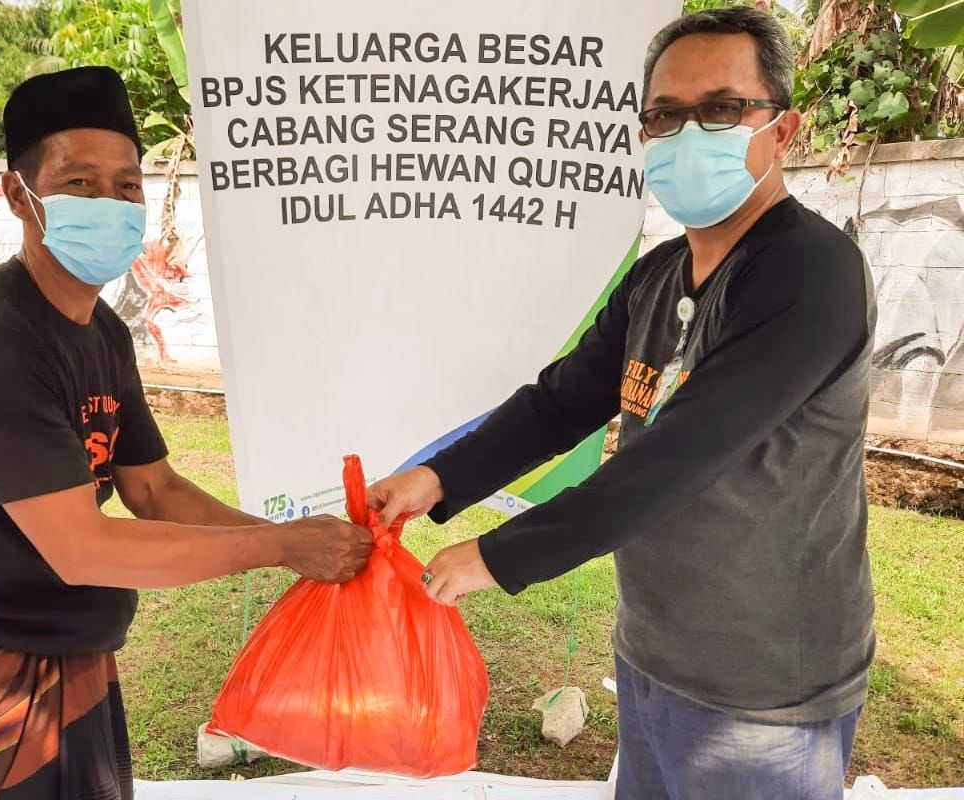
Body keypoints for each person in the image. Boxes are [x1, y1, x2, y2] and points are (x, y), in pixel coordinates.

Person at [368, 9, 875, 800]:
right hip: (654, 652)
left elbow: (674, 462)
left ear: (782, 130)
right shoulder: (658, 274)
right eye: (664, 115)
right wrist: (435, 478)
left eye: (720, 108)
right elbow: (558, 403)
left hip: (765, 690)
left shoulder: (811, 273)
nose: (685, 134)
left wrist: (497, 559)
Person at [0, 66, 373, 800]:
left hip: (71, 633)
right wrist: (279, 545)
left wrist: (292, 548)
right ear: (17, 194)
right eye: (79, 183)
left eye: (126, 186)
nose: (110, 205)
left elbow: (153, 487)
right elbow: (81, 547)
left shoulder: (102, 332)